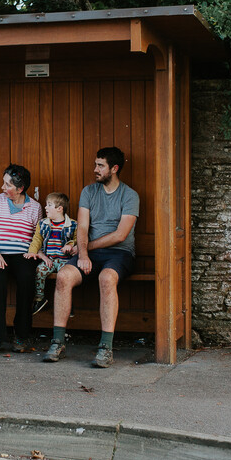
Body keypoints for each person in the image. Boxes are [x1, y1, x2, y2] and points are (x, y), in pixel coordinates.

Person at [42, 146, 139, 368]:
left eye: (100, 165)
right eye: (95, 164)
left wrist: (86, 248)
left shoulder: (130, 195)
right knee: (64, 276)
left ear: (114, 169)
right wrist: (83, 253)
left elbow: (120, 235)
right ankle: (57, 342)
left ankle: (106, 347)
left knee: (106, 279)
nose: (95, 169)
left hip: (120, 254)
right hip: (89, 251)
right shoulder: (88, 192)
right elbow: (83, 227)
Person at [0, 164, 42, 356]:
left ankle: (22, 335)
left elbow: (37, 237)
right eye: (3, 183)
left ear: (20, 188)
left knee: (27, 278)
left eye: (8, 185)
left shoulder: (35, 207)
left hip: (22, 255)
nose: (3, 188)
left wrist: (37, 253)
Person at [23, 192, 77, 315]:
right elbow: (37, 239)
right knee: (39, 271)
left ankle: (68, 302)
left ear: (59, 209)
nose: (45, 207)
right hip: (49, 259)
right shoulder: (43, 224)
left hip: (65, 261)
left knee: (67, 276)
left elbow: (78, 239)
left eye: (49, 205)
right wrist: (32, 252)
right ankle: (40, 299)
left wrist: (70, 244)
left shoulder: (73, 225)